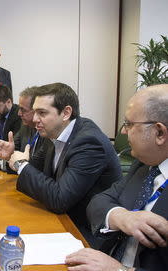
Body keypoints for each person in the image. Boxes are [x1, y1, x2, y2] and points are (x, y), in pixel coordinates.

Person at [65, 84, 168, 271]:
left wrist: (118, 270)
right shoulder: (145, 164)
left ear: (159, 133)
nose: (122, 131)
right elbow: (100, 201)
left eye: (129, 124)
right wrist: (122, 216)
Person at [8, 82, 122, 246]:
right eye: (34, 112)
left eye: (42, 113)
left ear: (66, 113)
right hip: (61, 218)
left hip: (87, 232)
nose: (34, 119)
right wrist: (11, 159)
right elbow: (34, 168)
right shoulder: (53, 131)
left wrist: (21, 165)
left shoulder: (89, 143)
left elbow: (60, 199)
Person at [0, 86, 49, 171]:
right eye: (19, 109)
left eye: (23, 110)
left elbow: (34, 166)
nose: (19, 113)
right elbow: (12, 150)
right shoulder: (25, 126)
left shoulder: (47, 133)